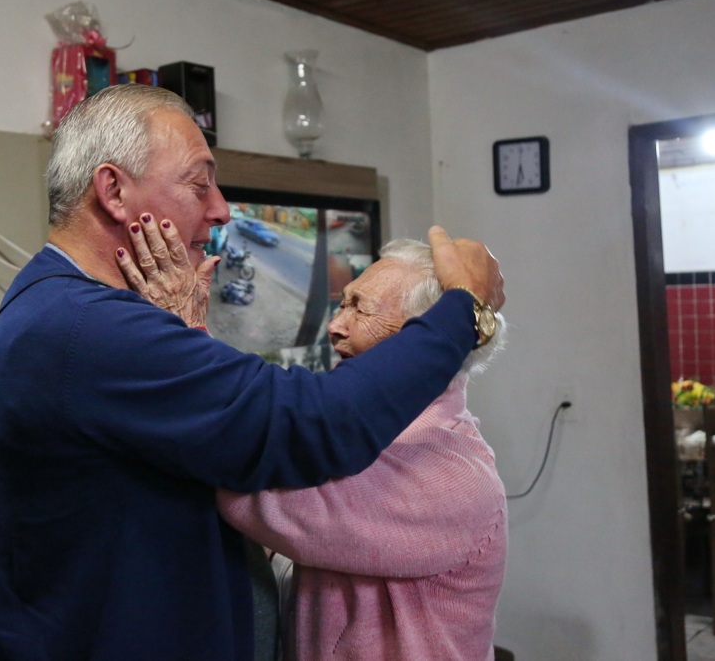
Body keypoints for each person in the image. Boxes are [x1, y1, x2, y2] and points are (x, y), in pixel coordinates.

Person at [0, 83, 505, 661]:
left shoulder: (69, 309)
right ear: (114, 191)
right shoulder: (88, 327)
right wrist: (461, 310)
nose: (221, 209)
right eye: (200, 184)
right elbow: (306, 425)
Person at [217, 238, 508, 661]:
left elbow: (264, 498)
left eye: (360, 308)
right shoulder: (371, 434)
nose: (336, 325)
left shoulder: (454, 473)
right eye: (343, 304)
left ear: (423, 340)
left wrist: (177, 347)